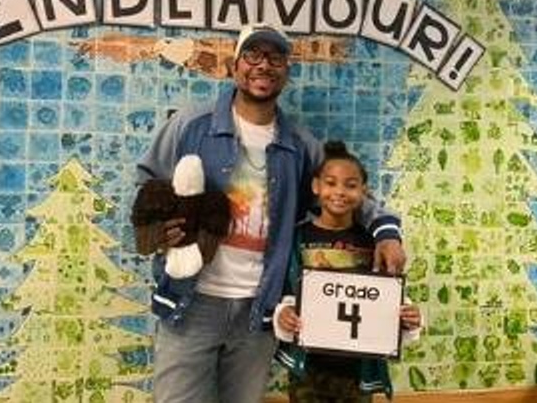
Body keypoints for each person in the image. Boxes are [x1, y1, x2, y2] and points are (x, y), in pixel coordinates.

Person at [132, 23, 406, 403]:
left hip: (259, 313)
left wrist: (386, 230)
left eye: (276, 57)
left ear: (286, 72)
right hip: (192, 304)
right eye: (253, 55)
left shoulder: (299, 146)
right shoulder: (190, 126)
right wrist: (160, 229)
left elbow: (342, 189)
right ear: (235, 66)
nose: (264, 65)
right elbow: (146, 185)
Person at [273, 141, 421, 403]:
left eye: (351, 185)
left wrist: (407, 317)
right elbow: (287, 292)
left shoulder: (375, 242)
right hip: (309, 364)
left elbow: (387, 293)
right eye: (331, 183)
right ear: (316, 186)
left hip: (357, 367)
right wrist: (283, 315)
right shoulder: (298, 237)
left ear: (364, 191)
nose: (339, 192)